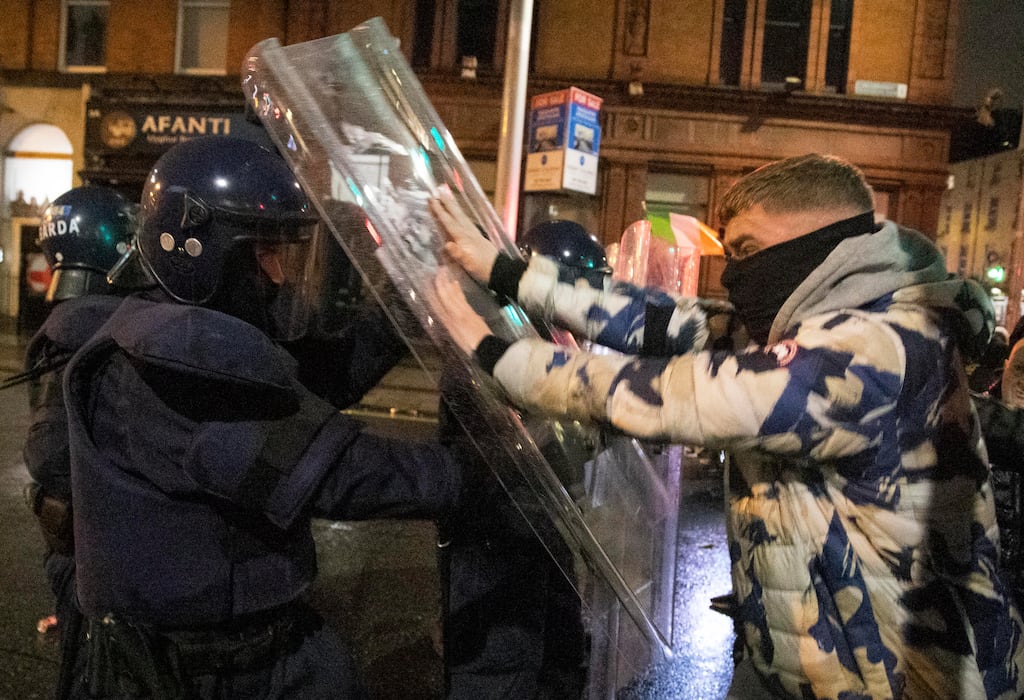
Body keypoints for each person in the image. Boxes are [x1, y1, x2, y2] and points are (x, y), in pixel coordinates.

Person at [429, 153, 1024, 700]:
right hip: (803, 663)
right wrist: (505, 270)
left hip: (903, 683)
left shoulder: (880, 345)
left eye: (746, 249)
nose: (735, 274)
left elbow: (687, 396)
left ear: (815, 241)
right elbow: (660, 322)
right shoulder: (804, 325)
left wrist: (498, 355)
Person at [62, 136, 460, 699]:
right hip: (184, 675)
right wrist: (477, 474)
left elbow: (321, 377)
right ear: (198, 251)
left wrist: (410, 298)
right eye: (263, 253)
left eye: (285, 254)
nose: (277, 276)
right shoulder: (162, 364)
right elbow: (330, 472)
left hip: (255, 650)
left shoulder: (210, 334)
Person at [436, 220, 598, 699]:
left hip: (549, 532)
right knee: (500, 671)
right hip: (497, 542)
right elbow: (520, 446)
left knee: (561, 660)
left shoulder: (549, 350)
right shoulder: (489, 352)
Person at [21, 185, 136, 697]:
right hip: (86, 555)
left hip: (71, 548)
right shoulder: (92, 328)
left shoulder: (64, 323)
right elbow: (49, 453)